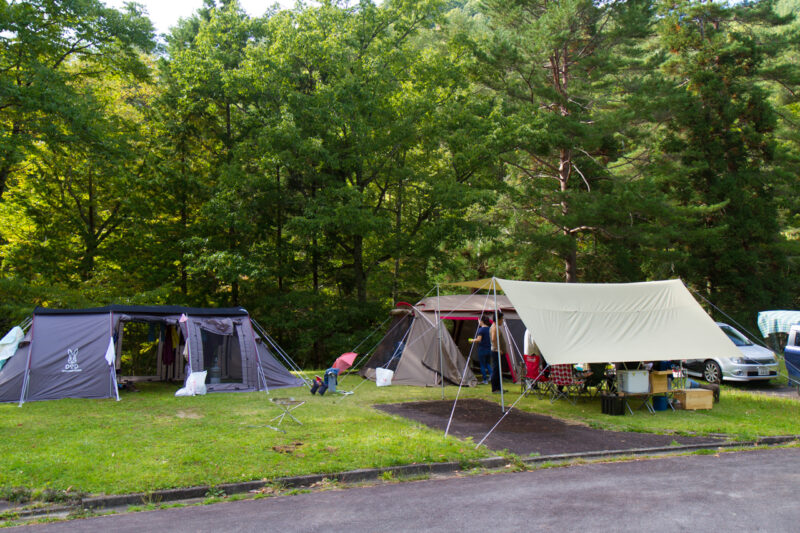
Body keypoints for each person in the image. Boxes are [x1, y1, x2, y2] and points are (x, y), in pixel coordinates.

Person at [469, 316, 493, 384]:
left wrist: (472, 340)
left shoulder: (481, 330)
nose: (478, 322)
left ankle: (485, 380)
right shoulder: (490, 329)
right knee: (488, 363)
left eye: (478, 321)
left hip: (482, 349)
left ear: (481, 321)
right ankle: (492, 375)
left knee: (482, 365)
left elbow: (479, 339)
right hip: (489, 349)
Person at [489, 311, 508, 393]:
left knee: (498, 370)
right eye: (502, 319)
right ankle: (495, 389)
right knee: (496, 370)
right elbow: (493, 339)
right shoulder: (495, 327)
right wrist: (498, 349)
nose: (502, 321)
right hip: (496, 352)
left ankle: (499, 388)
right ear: (498, 319)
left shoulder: (495, 326)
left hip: (497, 352)